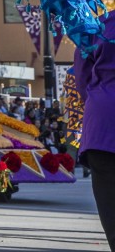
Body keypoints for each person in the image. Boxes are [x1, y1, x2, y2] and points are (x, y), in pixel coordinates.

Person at [74, 13, 115, 250]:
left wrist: (96, 98)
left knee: (111, 211)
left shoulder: (97, 26)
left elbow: (82, 78)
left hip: (102, 125)